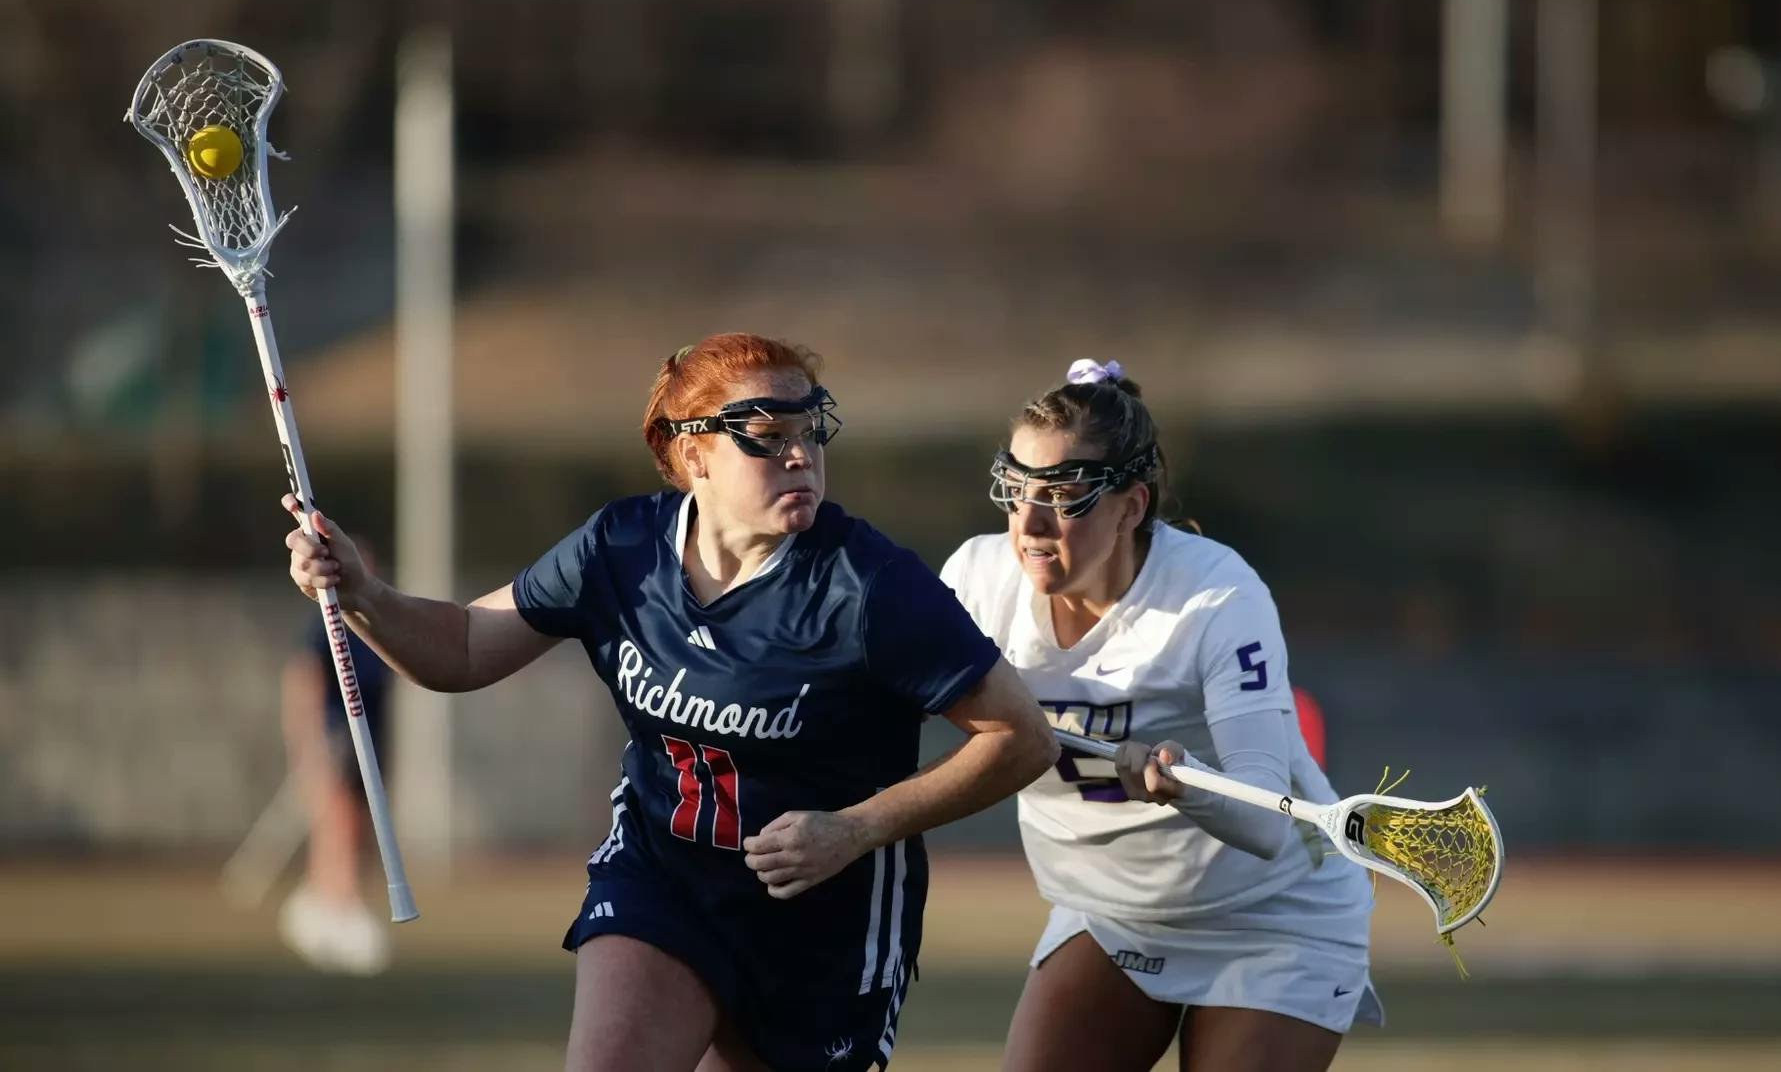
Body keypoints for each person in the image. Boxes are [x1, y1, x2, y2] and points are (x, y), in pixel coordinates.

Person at [281, 332, 1057, 1072]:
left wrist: (854, 829)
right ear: (694, 456)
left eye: (812, 429)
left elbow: (1020, 738)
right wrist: (360, 592)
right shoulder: (618, 549)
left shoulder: (872, 585)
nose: (800, 453)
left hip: (822, 918)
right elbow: (462, 648)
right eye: (765, 432)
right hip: (664, 878)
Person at [940, 358, 1382, 1072]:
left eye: (1064, 494)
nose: (1030, 522)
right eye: (1016, 490)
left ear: (1133, 505)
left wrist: (1189, 784)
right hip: (1110, 914)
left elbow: (1267, 823)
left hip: (1271, 915)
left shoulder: (1217, 597)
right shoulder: (976, 579)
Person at [276, 533, 394, 975]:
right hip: (338, 734)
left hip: (374, 738)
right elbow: (304, 676)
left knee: (359, 823)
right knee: (337, 819)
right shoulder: (327, 618)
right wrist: (307, 742)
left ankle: (334, 904)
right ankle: (337, 906)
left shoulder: (376, 616)